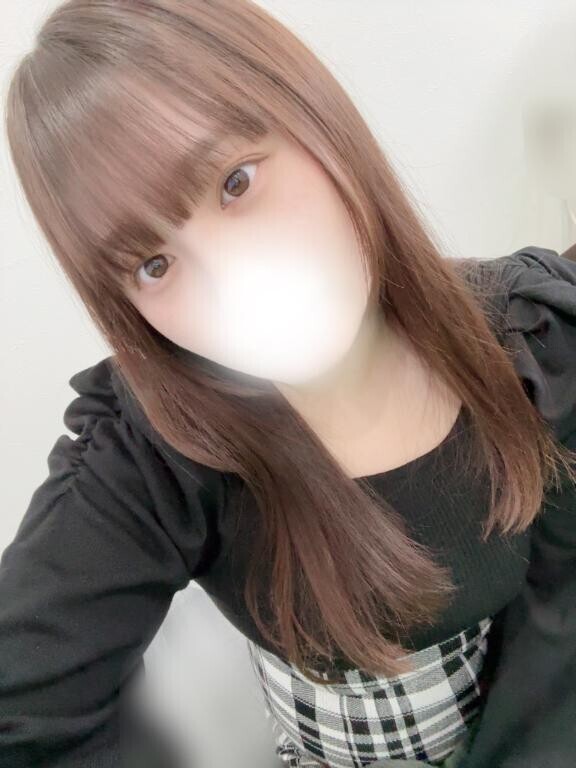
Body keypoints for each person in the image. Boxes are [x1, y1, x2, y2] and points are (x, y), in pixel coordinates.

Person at [2, 1, 576, 767]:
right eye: (153, 265)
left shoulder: (532, 340)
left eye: (235, 182)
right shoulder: (156, 453)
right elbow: (26, 712)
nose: (227, 281)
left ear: (311, 119)